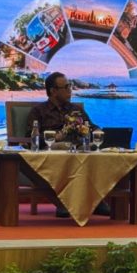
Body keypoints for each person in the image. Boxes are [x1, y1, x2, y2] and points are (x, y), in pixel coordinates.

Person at [26, 71, 109, 218]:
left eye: (70, 86)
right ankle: (65, 202)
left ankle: (94, 200)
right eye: (66, 87)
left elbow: (91, 126)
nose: (70, 90)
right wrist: (55, 137)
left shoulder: (75, 109)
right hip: (52, 151)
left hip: (78, 148)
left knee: (89, 150)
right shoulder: (38, 111)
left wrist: (98, 131)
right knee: (64, 148)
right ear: (53, 91)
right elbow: (30, 137)